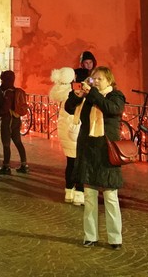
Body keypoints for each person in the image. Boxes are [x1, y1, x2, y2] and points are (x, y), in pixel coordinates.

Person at [66, 65, 126, 250]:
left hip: (106, 151)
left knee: (110, 197)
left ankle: (115, 238)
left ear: (109, 80)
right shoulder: (88, 97)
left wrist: (92, 93)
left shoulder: (116, 96)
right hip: (88, 150)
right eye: (94, 78)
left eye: (100, 79)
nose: (96, 81)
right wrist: (76, 95)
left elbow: (111, 109)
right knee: (90, 197)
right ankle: (90, 235)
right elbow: (69, 108)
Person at [51, 66, 84, 204]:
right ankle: (79, 194)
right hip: (74, 130)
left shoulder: (57, 91)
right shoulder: (72, 93)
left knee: (70, 163)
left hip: (64, 129)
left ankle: (68, 192)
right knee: (80, 163)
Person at [0, 70, 28, 175]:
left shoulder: (8, 92)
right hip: (16, 119)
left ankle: (6, 166)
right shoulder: (15, 90)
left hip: (8, 120)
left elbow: (5, 108)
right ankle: (24, 164)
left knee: (6, 143)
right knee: (18, 142)